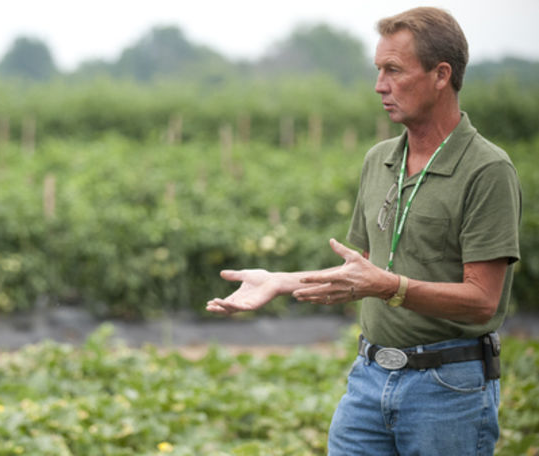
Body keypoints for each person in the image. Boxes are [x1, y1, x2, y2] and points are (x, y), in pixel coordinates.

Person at [206, 7, 521, 455]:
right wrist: (281, 281)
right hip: (369, 381)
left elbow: (483, 300)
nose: (379, 86)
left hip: (446, 389)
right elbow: (367, 271)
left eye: (394, 70)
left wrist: (390, 288)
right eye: (378, 70)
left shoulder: (487, 170)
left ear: (440, 75)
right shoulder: (380, 160)